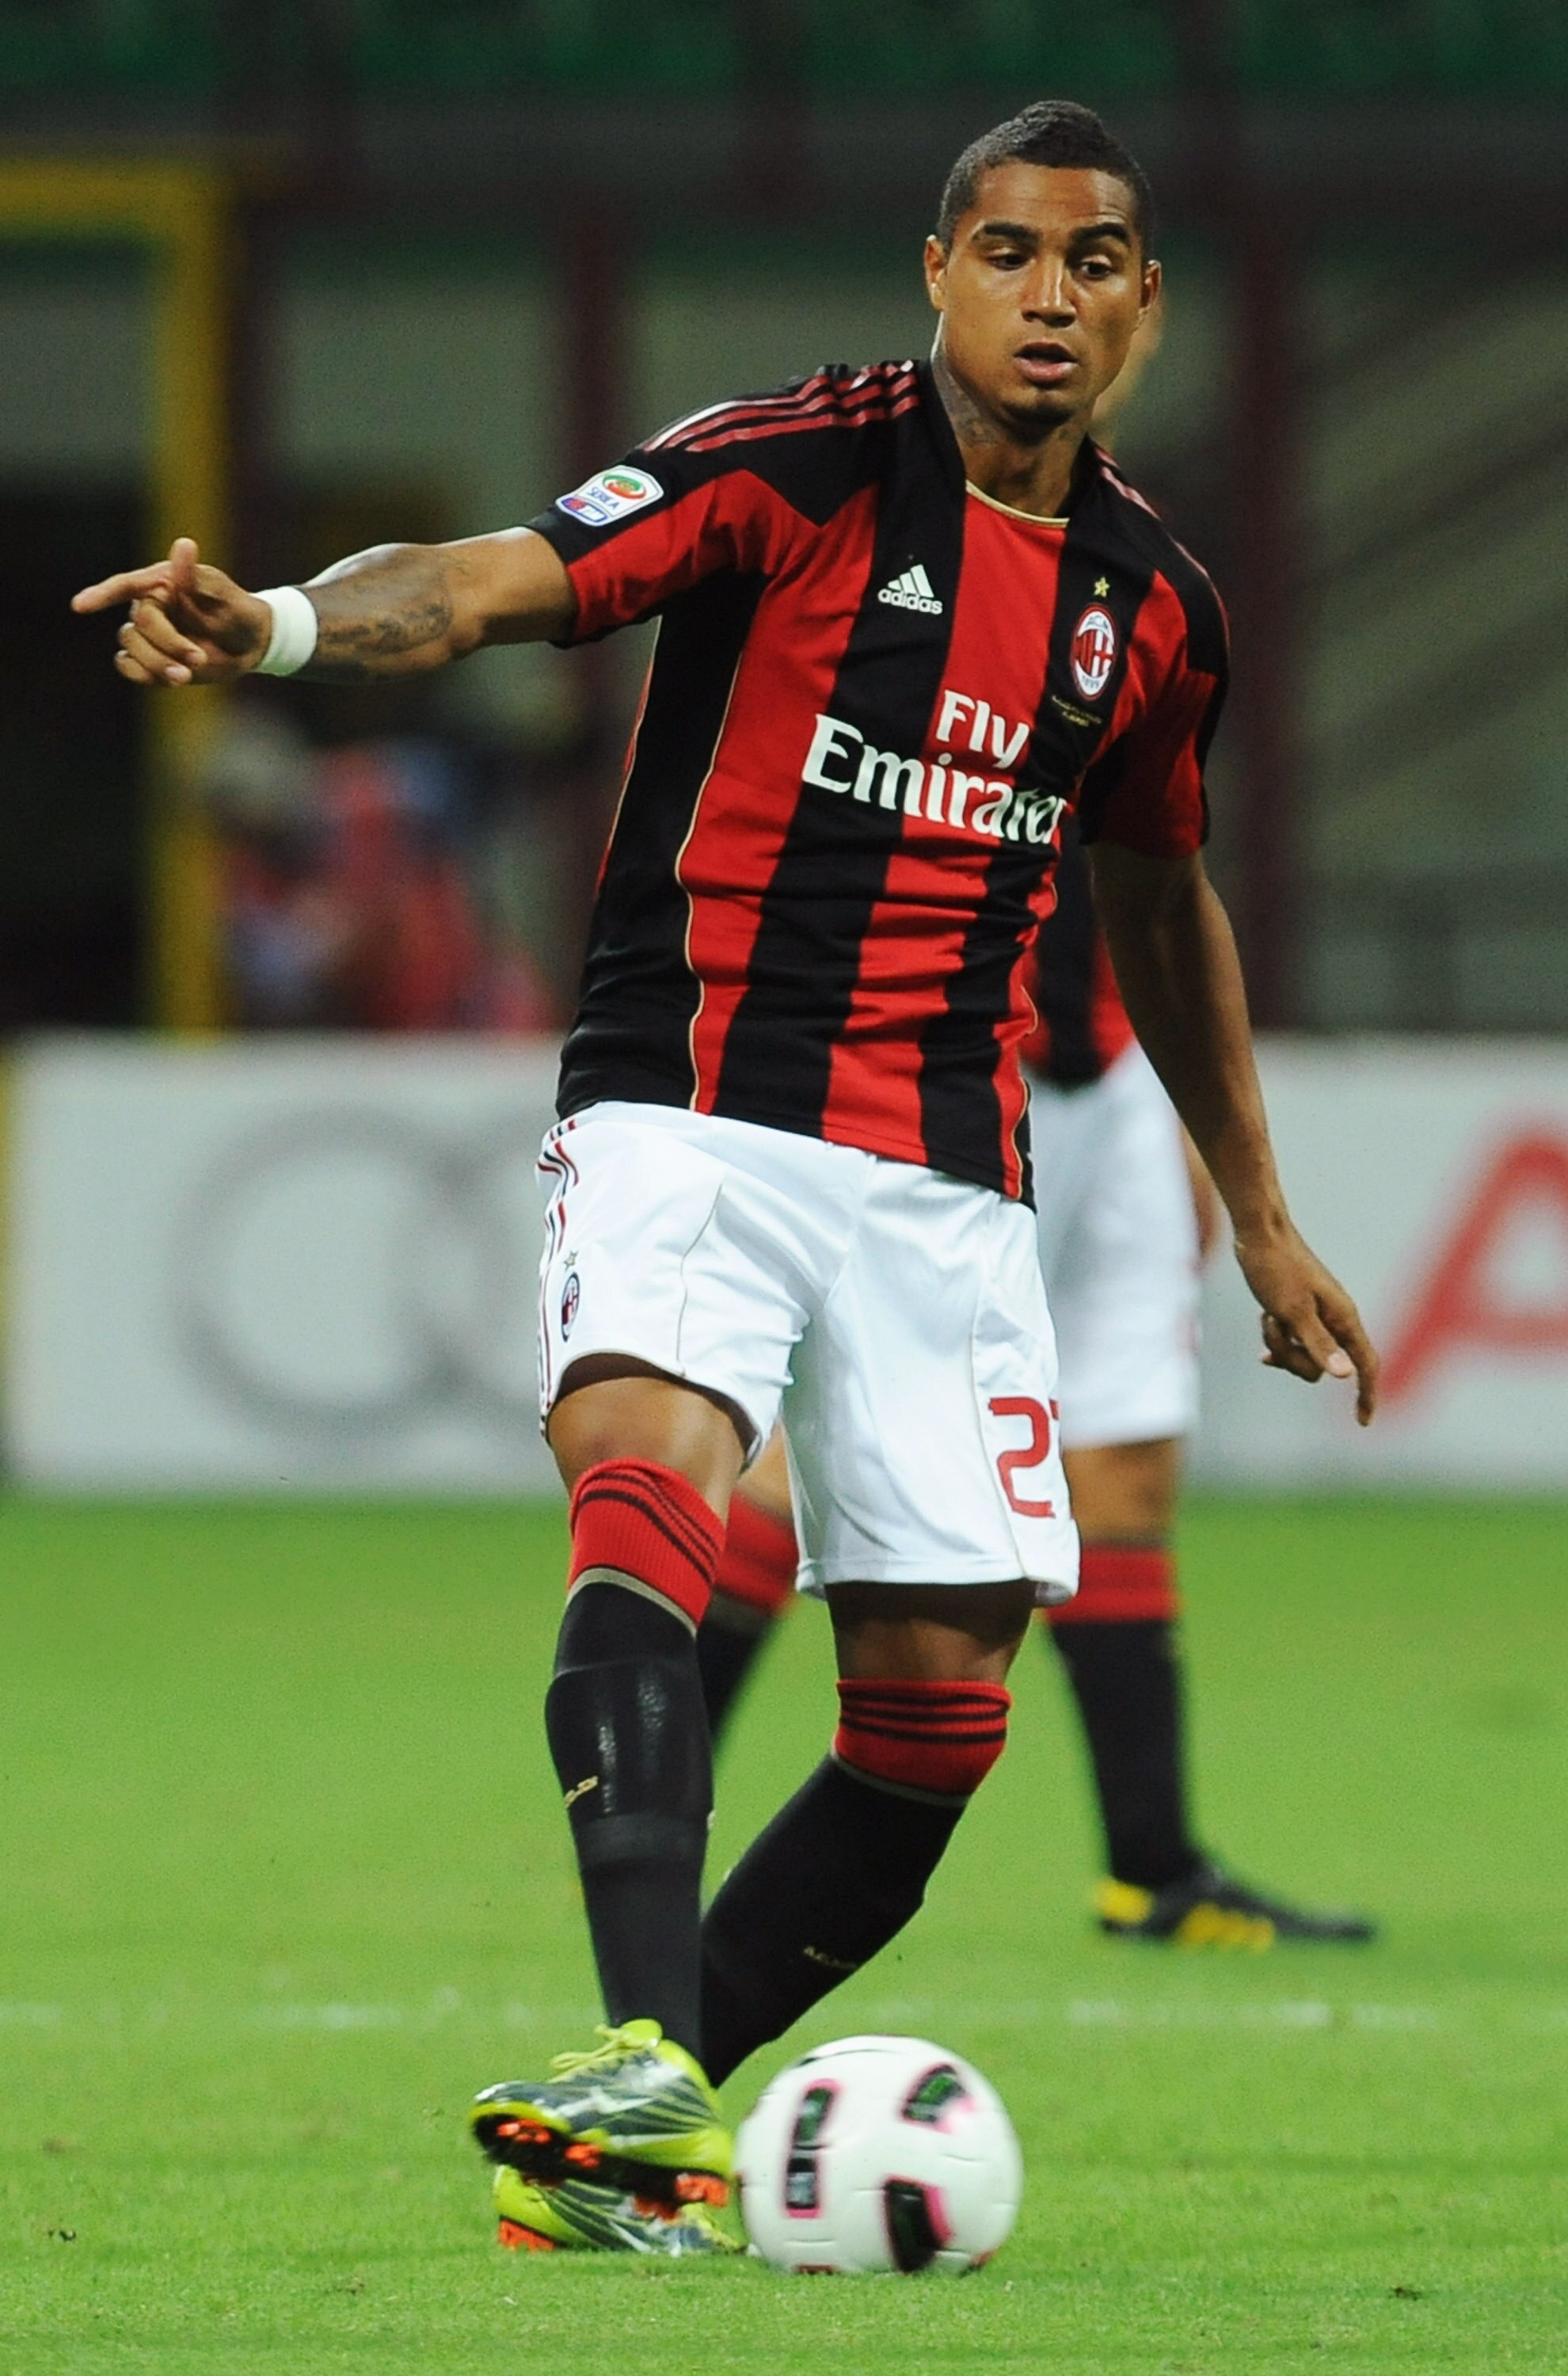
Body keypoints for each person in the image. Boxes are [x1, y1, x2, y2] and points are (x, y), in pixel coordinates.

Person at [75, 99, 1378, 2258]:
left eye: (1094, 262)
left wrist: (1257, 1210)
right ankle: (641, 2052)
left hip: (947, 1175)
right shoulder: (789, 468)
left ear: (1146, 302)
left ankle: (619, 2139)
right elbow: (489, 581)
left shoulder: (1154, 606)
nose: (1048, 297)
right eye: (1007, 252)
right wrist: (283, 629)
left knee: (937, 1726)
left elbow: (1160, 898)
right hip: (691, 1099)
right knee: (648, 1472)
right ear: (937, 271)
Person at [700, 836, 1377, 1949]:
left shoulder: (1143, 709)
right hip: (948, 1064)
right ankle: (650, 1811)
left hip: (1110, 1077)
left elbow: (1153, 875)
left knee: (1124, 1465)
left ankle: (1153, 1872)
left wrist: (1175, 1105)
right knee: (815, 1452)